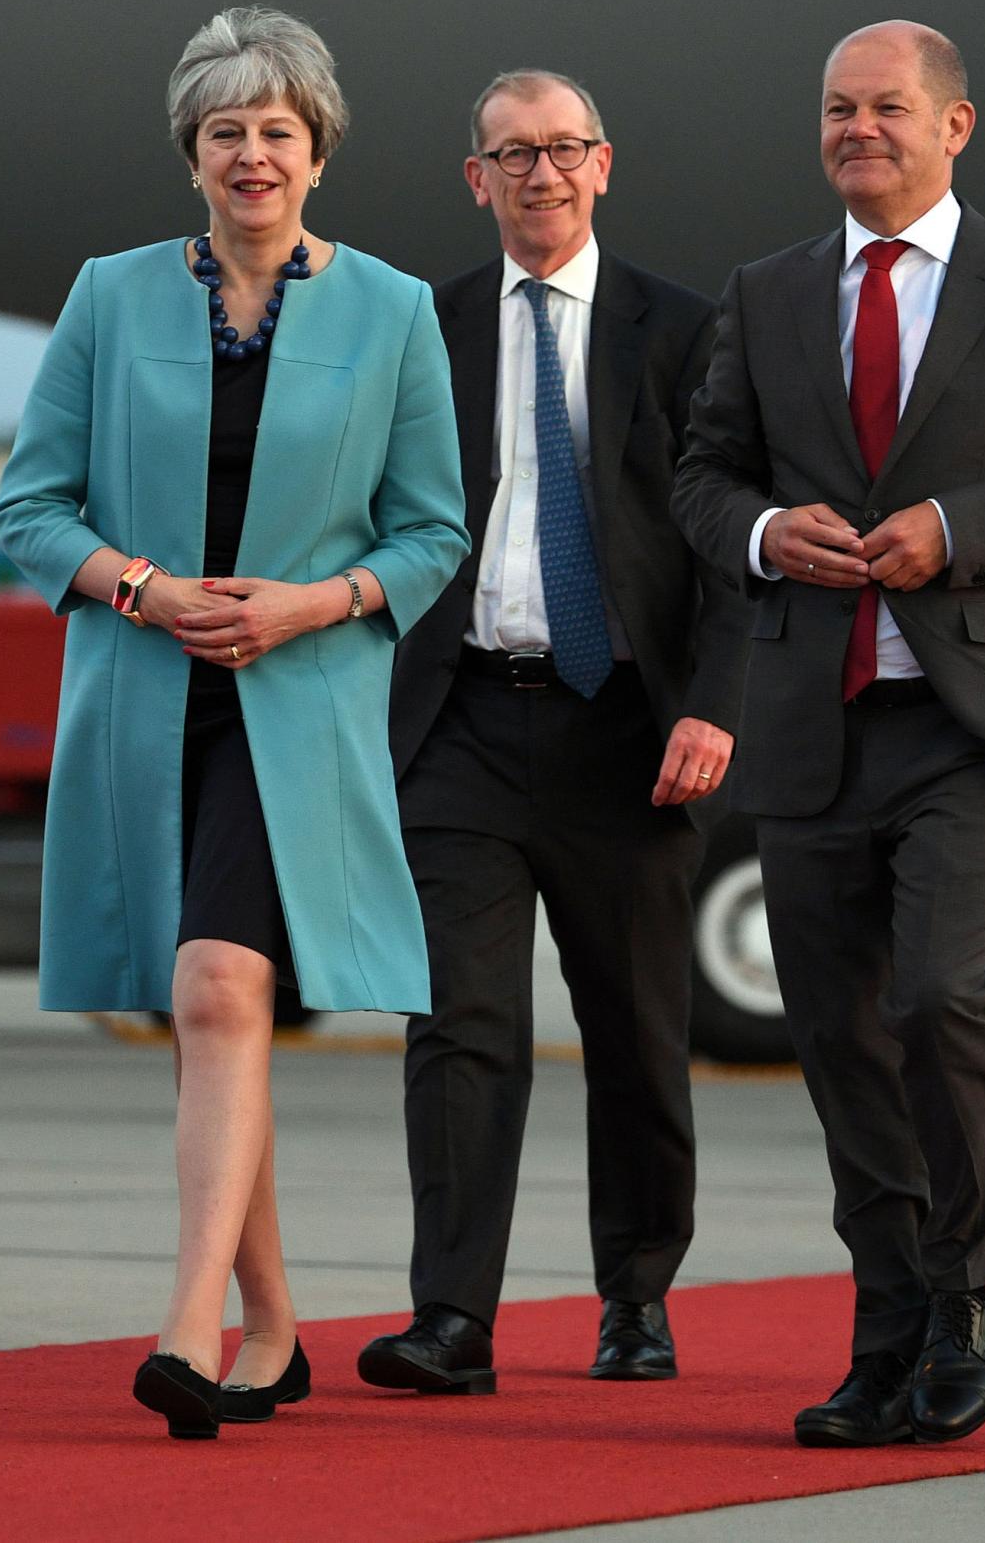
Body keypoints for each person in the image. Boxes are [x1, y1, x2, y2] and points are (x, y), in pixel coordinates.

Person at [0, 7, 467, 1440]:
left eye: (277, 129)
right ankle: (271, 1322)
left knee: (214, 986)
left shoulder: (392, 309)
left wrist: (307, 606)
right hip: (145, 701)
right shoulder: (109, 294)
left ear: (318, 147)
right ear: (191, 153)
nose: (252, 153)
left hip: (298, 707)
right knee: (220, 1009)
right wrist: (138, 586)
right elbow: (29, 506)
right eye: (225, 131)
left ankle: (187, 1322)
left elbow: (433, 526)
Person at [672, 21, 985, 1447]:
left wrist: (961, 528)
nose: (856, 127)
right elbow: (702, 474)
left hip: (972, 711)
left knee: (941, 995)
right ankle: (887, 1319)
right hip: (814, 719)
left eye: (886, 106)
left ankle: (971, 1292)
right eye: (836, 107)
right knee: (836, 1036)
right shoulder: (766, 295)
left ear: (957, 125)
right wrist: (763, 531)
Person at [361, 71, 745, 1396]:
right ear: (476, 178)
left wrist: (713, 700)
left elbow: (732, 550)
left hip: (622, 723)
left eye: (565, 149)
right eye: (512, 154)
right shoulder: (424, 328)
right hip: (460, 713)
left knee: (636, 1024)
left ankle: (636, 1294)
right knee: (460, 1023)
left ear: (605, 163)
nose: (542, 173)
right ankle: (452, 1314)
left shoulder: (684, 331)